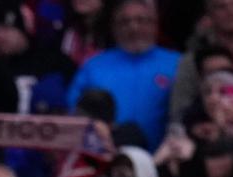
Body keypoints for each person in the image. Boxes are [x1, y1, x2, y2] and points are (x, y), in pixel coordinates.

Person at [66, 0, 180, 148]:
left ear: (155, 24)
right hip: (105, 155)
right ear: (114, 28)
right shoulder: (94, 66)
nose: (133, 27)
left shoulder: (176, 63)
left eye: (141, 20)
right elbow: (74, 111)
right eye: (125, 22)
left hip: (163, 155)